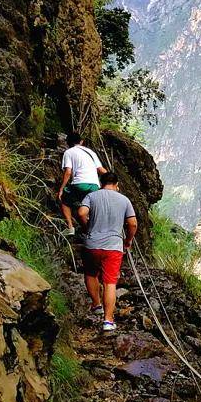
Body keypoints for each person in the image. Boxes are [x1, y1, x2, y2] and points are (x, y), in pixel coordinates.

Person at [77, 171, 138, 332]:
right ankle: (108, 321)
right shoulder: (124, 200)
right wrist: (128, 240)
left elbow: (82, 212)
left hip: (92, 244)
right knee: (110, 282)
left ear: (101, 182)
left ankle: (96, 305)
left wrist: (87, 226)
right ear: (117, 184)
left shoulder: (92, 196)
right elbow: (132, 224)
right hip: (113, 246)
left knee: (90, 274)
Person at [57, 131, 107, 236]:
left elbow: (68, 172)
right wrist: (113, 183)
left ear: (67, 142)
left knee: (64, 200)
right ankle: (91, 232)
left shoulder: (69, 152)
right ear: (81, 141)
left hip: (80, 183)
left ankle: (70, 227)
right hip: (94, 185)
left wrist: (61, 189)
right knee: (89, 207)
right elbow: (101, 170)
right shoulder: (91, 152)